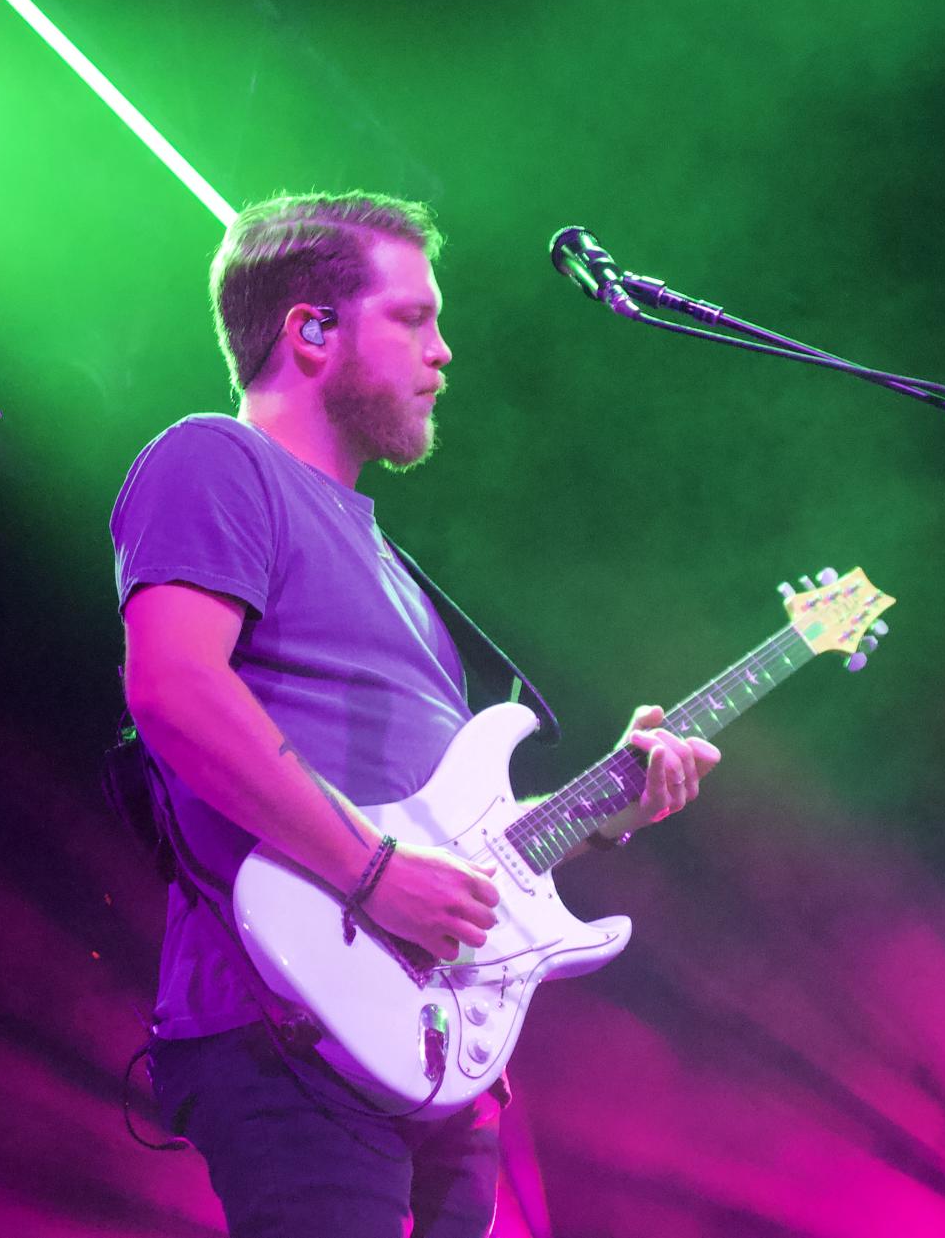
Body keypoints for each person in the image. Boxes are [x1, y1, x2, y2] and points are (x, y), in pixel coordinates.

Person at [110, 190, 720, 1238]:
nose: (443, 352)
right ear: (310, 328)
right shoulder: (216, 460)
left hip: (434, 1040)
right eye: (414, 318)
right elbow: (174, 690)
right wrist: (374, 875)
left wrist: (609, 805)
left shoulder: (399, 575)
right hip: (286, 1019)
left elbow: (452, 843)